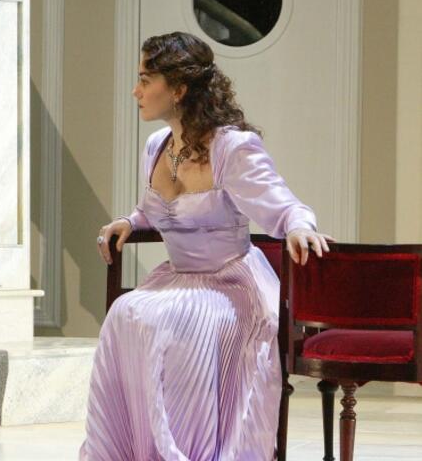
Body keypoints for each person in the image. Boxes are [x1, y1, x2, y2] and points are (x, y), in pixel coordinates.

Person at [80, 32, 333, 460]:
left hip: (231, 285)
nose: (136, 91)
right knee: (128, 312)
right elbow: (156, 210)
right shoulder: (156, 147)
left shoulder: (231, 147)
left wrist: (298, 226)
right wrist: (130, 220)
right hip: (177, 280)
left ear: (178, 89)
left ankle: (186, 450)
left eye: (145, 80)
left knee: (156, 318)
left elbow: (285, 205)